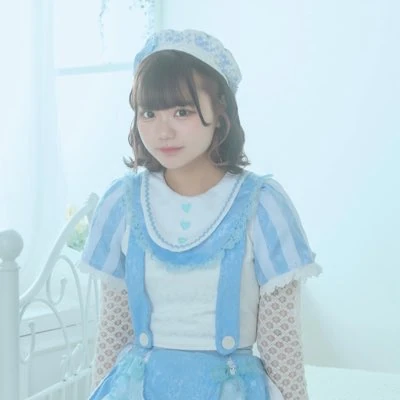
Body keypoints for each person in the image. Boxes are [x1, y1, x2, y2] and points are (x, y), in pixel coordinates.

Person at [79, 29, 322, 400]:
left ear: (220, 111)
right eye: (148, 113)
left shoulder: (262, 206)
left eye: (182, 111)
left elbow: (282, 345)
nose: (163, 131)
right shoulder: (122, 204)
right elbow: (113, 336)